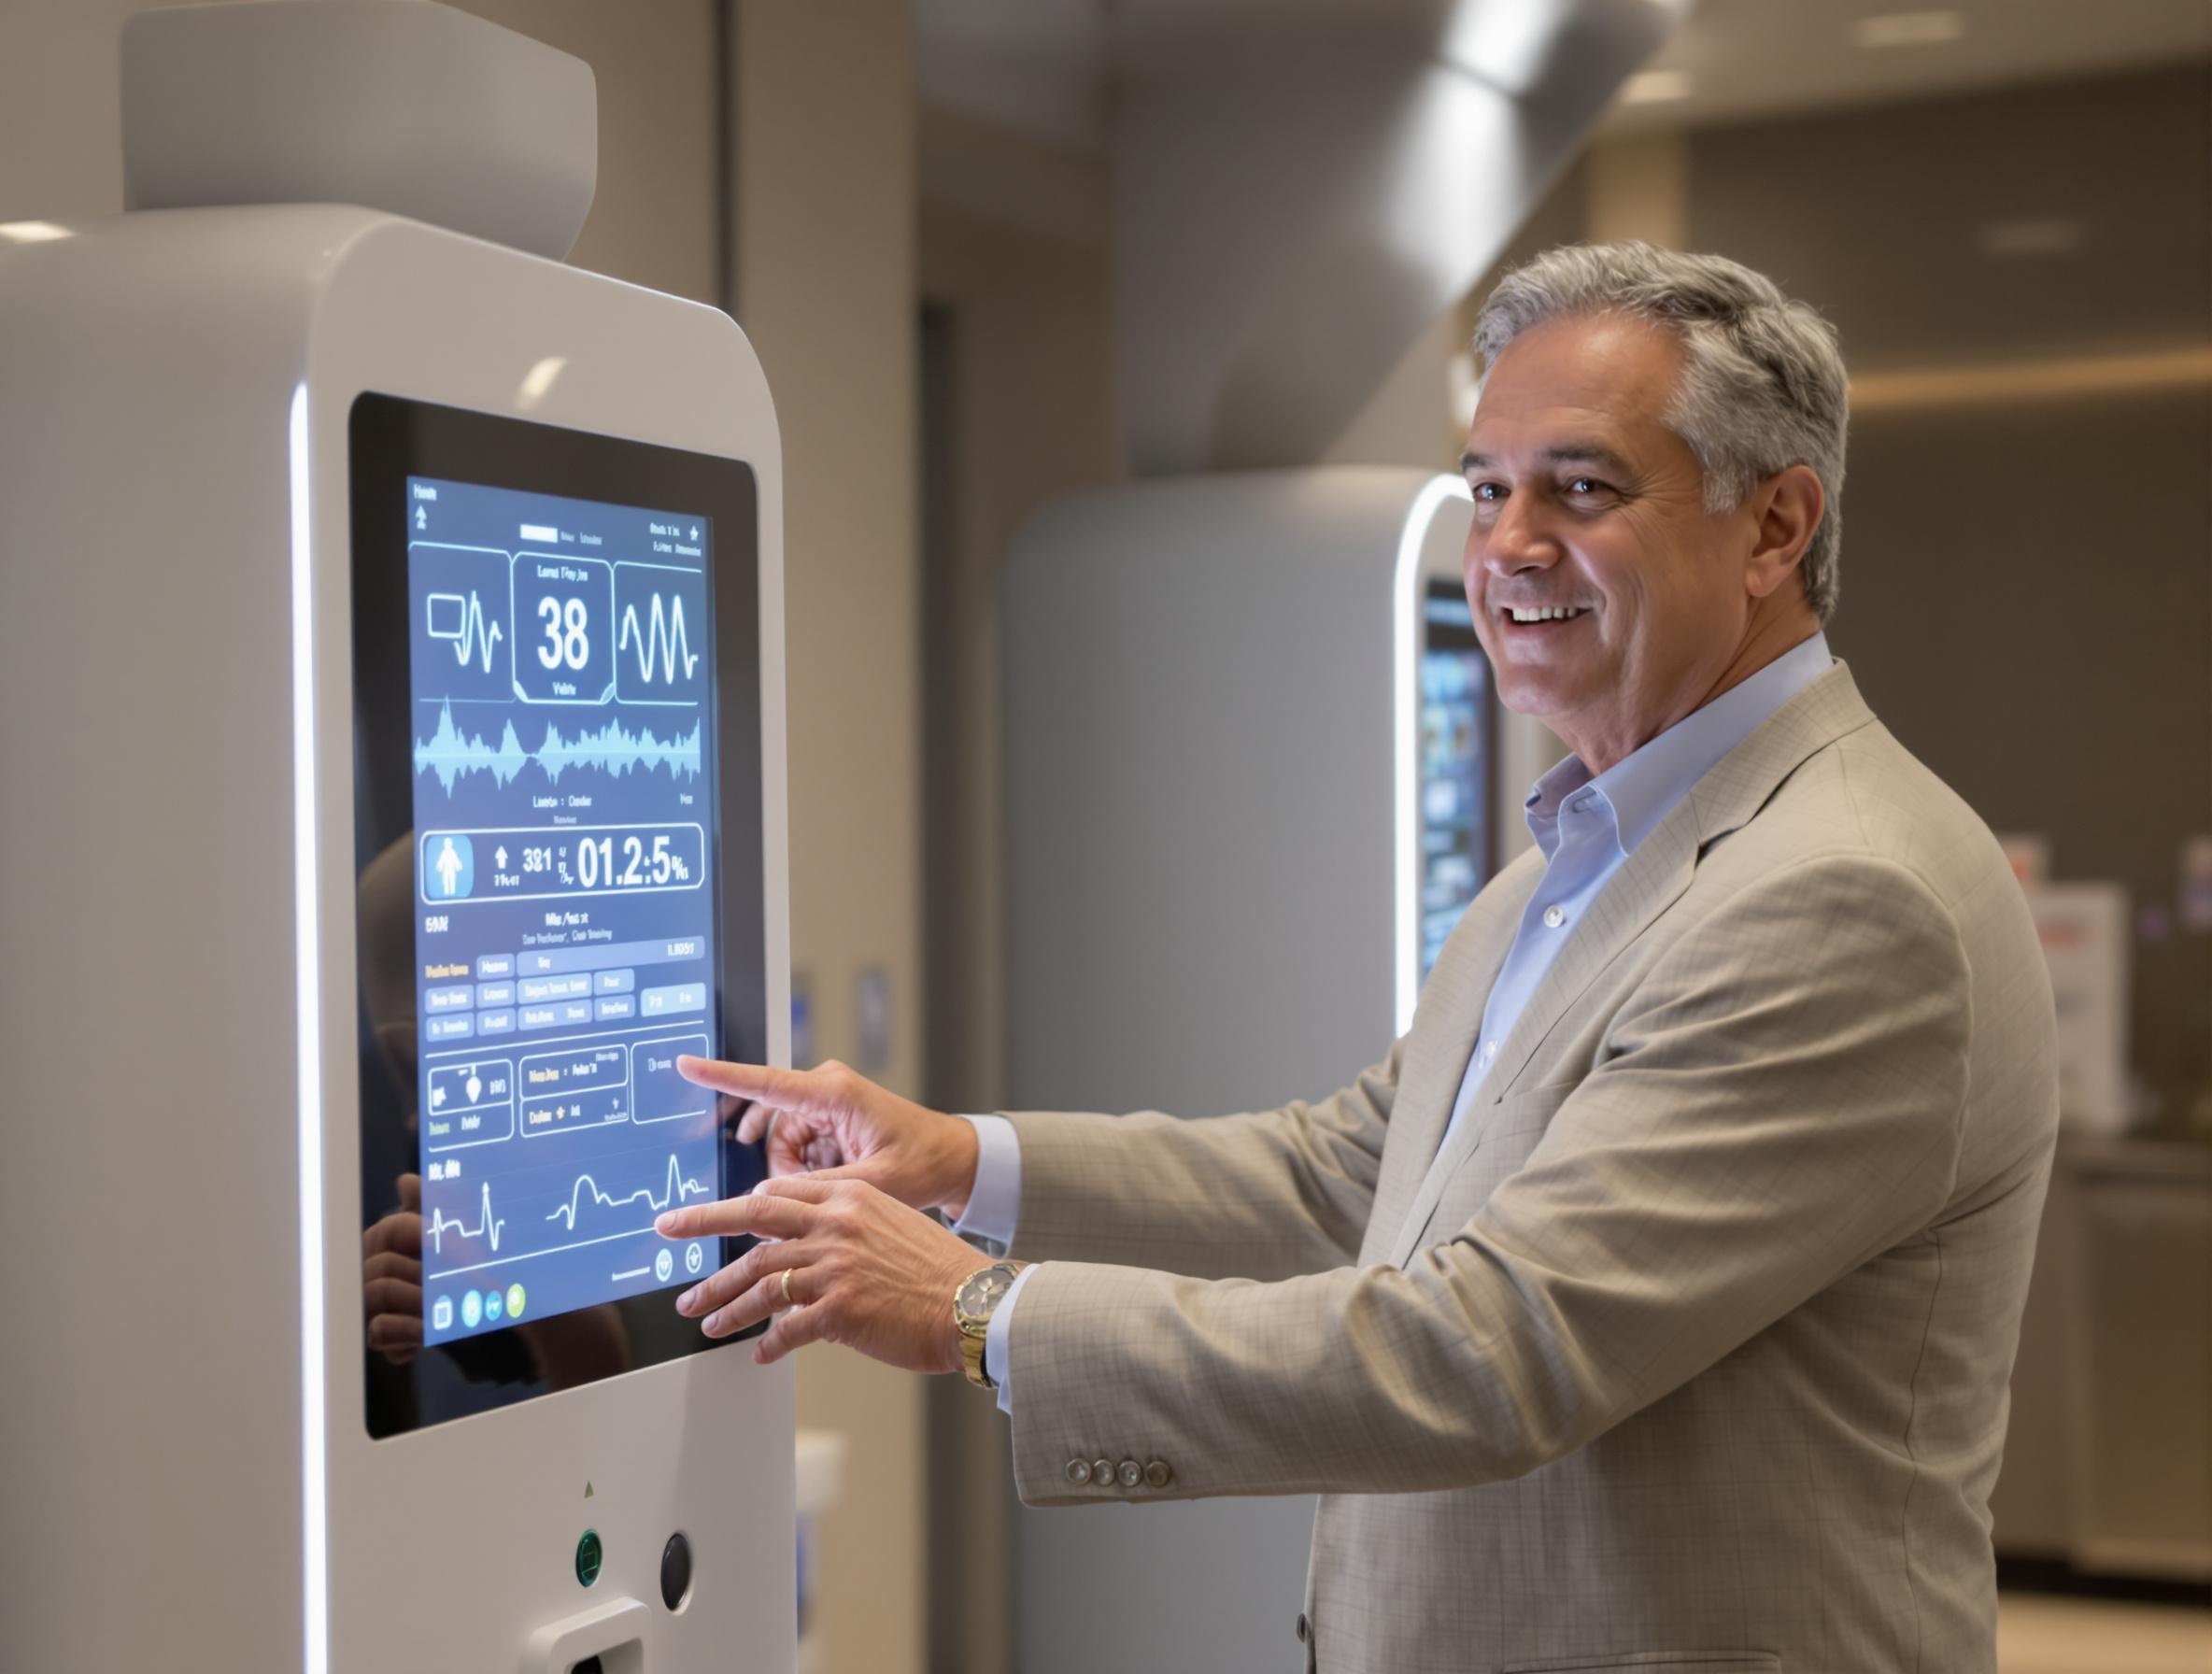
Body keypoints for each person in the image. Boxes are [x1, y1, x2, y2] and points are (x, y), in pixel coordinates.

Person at [655, 242, 2060, 1673]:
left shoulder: (1839, 893)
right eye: (1487, 490)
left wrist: (975, 1310)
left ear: (1775, 528)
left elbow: (1494, 1351)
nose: (1510, 546)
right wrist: (959, 1160)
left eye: (1582, 488)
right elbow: (1345, 1175)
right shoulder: (1574, 862)